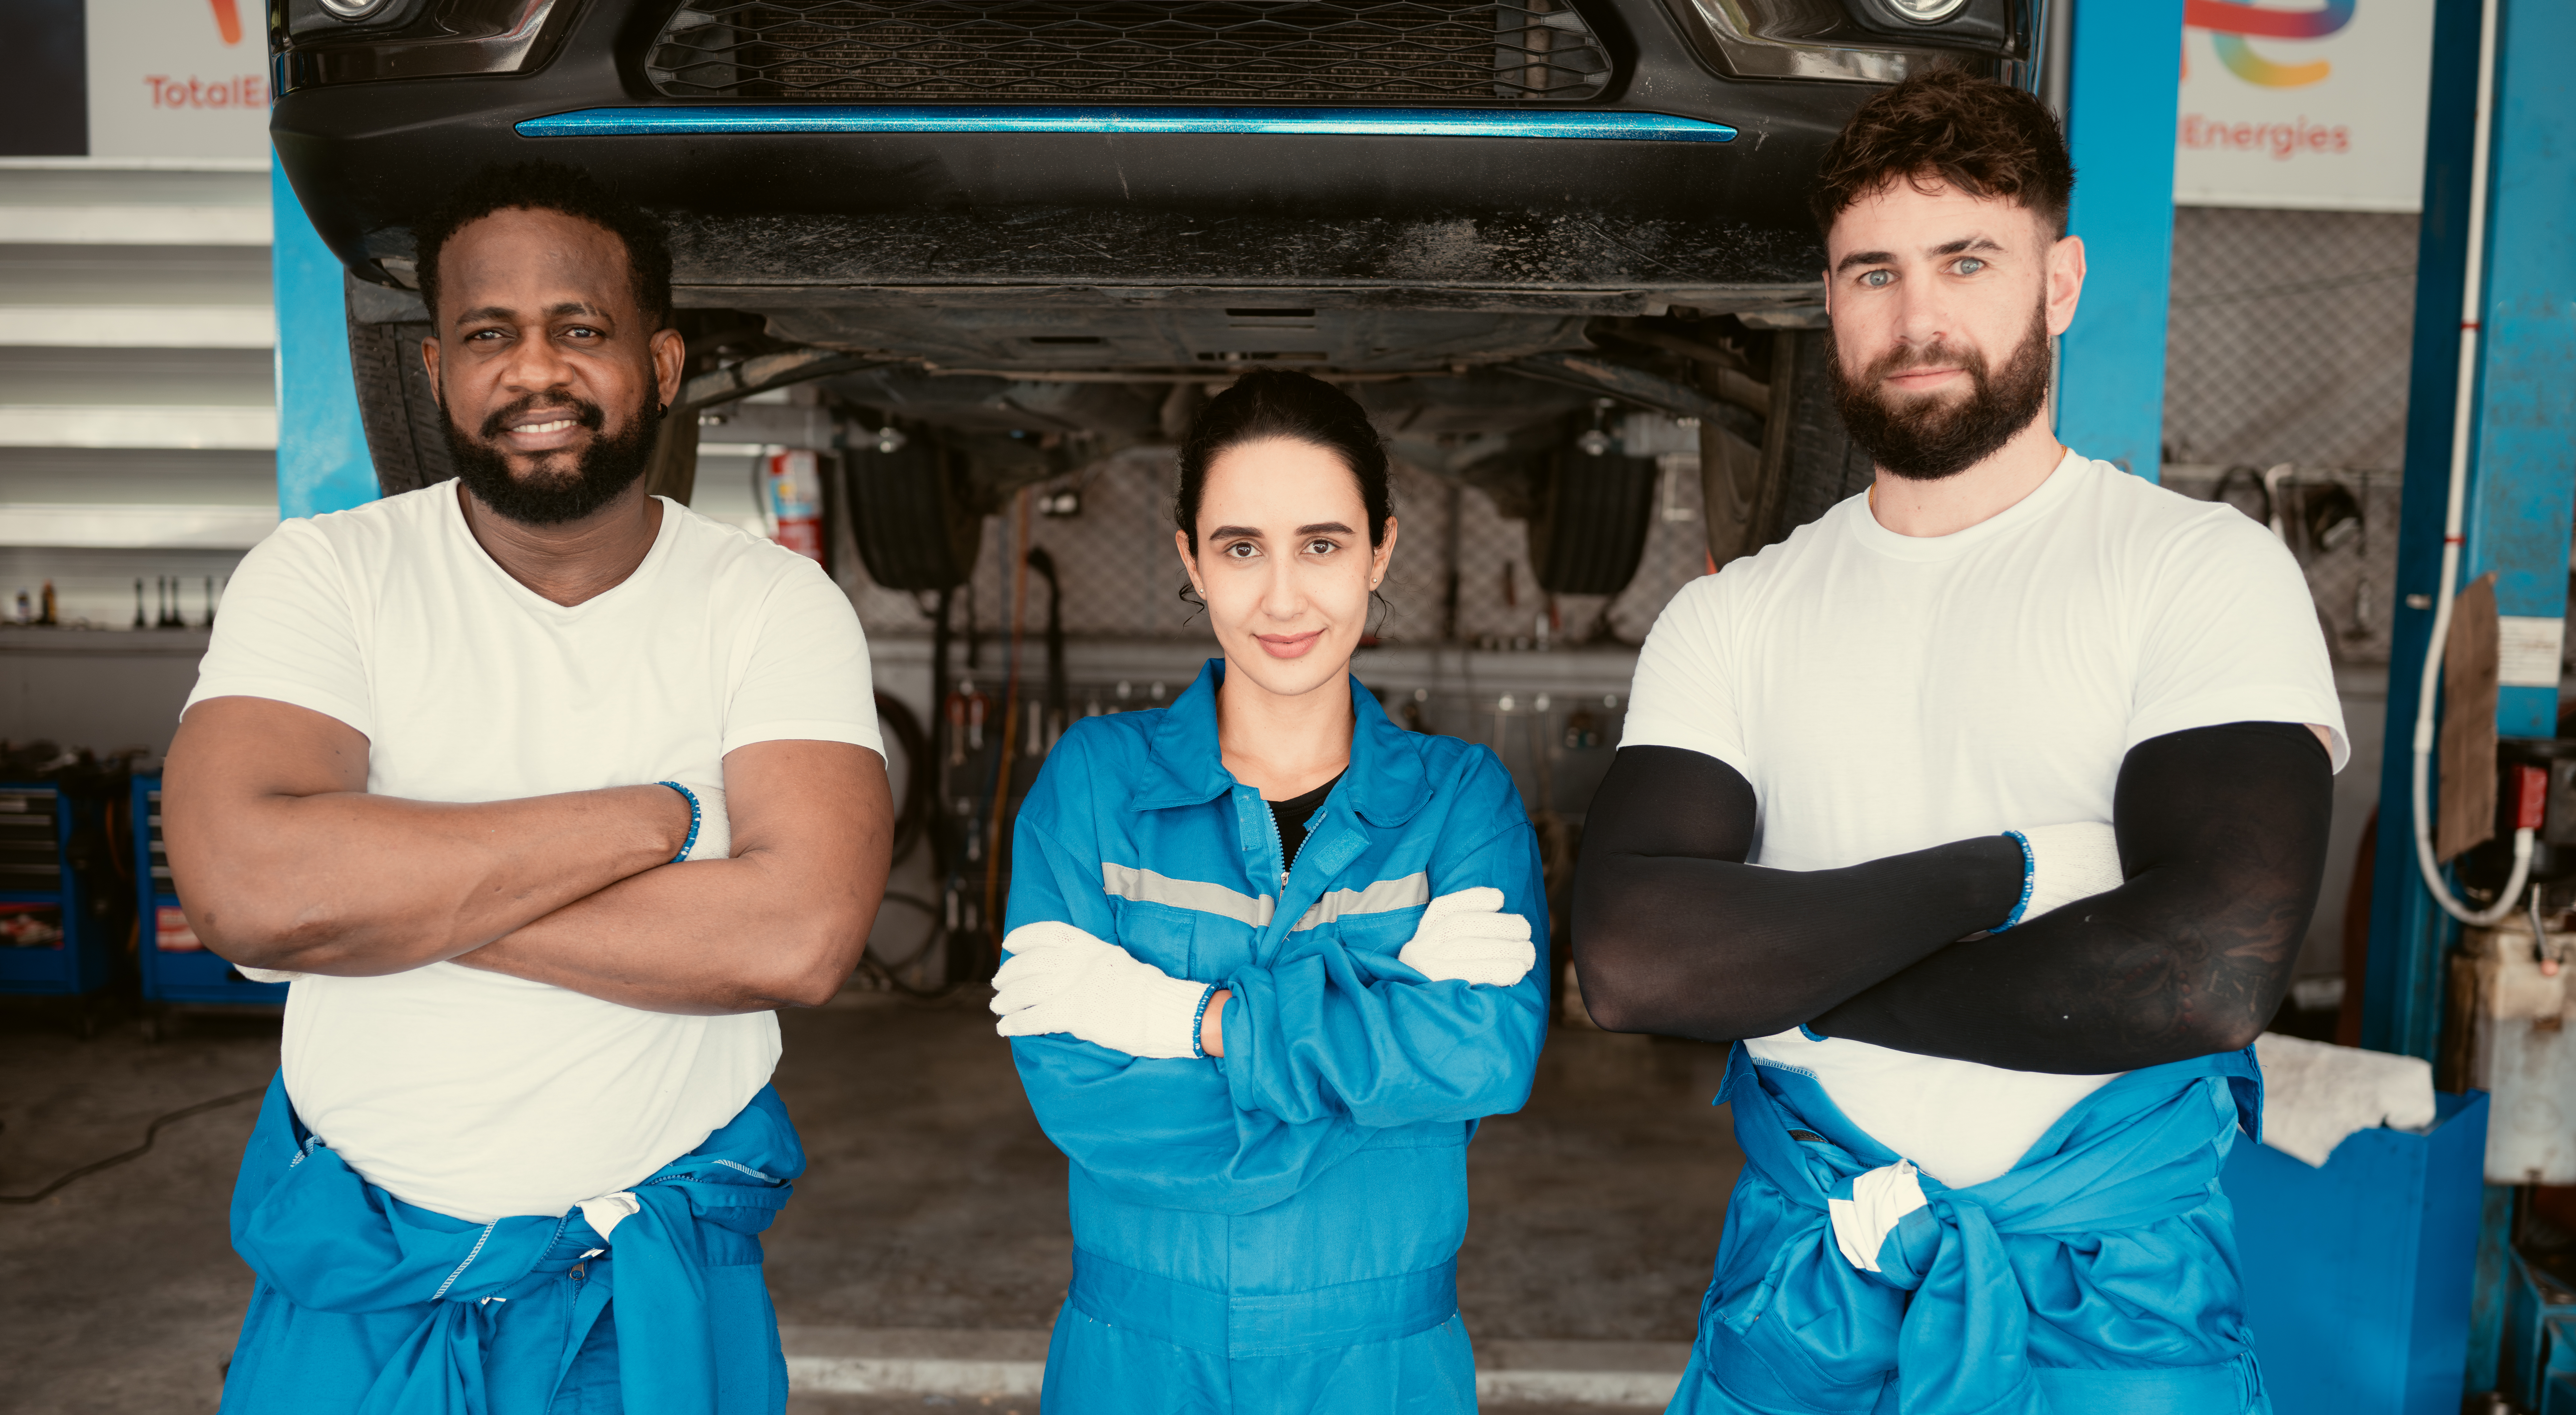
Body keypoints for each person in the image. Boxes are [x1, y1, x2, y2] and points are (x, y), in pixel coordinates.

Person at [1570, 71, 2343, 1414]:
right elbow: (1635, 963)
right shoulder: (1734, 616)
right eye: (1873, 273)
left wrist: (1793, 984)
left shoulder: (2196, 573)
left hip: (2108, 1315)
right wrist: (2001, 874)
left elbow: (2206, 971)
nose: (1916, 318)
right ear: (1828, 301)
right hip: (1813, 1298)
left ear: (2060, 282)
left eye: (1966, 261)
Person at [163, 161, 894, 1414]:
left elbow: (799, 938)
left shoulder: (769, 604)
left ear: (662, 365)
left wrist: (382, 901)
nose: (534, 373)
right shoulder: (327, 576)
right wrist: (657, 822)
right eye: (488, 334)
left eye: (580, 330)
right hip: (361, 1284)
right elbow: (247, 892)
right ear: (436, 368)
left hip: (643, 1295)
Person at [988, 370, 1549, 1414]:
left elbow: (1486, 1056)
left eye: (1322, 546)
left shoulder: (1460, 801)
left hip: (1382, 1367)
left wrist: (1189, 1021)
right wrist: (1383, 1042)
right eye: (1241, 548)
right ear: (1191, 562)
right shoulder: (1097, 783)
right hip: (1137, 1362)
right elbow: (1080, 1091)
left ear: (1381, 550)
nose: (1283, 598)